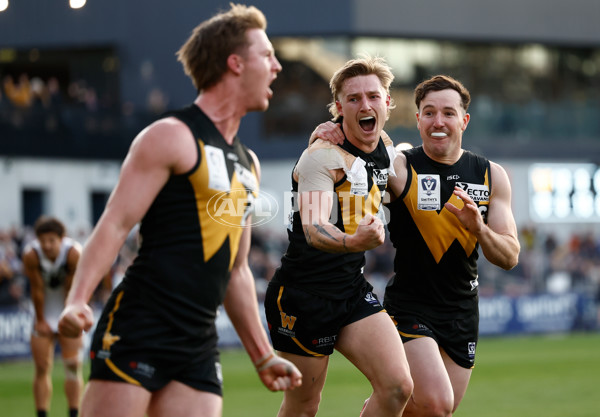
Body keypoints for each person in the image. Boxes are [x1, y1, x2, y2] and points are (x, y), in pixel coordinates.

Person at [57, 4, 301, 417]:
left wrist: (262, 355)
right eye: (267, 55)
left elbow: (236, 271)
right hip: (140, 326)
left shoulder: (249, 163)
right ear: (235, 63)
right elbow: (116, 223)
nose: (277, 66)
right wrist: (77, 299)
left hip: (198, 344)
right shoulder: (170, 136)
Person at [312, 74, 520, 416]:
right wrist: (324, 134)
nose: (439, 122)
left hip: (462, 312)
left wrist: (479, 228)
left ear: (464, 120)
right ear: (418, 118)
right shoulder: (400, 167)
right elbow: (349, 152)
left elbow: (510, 256)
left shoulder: (490, 175)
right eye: (429, 112)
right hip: (410, 306)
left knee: (425, 410)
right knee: (438, 402)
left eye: (449, 113)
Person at [264, 56, 413, 417]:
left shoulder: (384, 145)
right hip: (304, 296)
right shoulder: (320, 157)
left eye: (373, 97)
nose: (365, 105)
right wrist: (354, 242)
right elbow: (314, 228)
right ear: (338, 107)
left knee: (398, 387)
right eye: (353, 98)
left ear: (388, 103)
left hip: (350, 289)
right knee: (304, 406)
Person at [22, 216, 83, 417]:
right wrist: (40, 320)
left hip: (69, 311)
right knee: (41, 367)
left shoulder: (74, 253)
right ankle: (41, 413)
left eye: (52, 240)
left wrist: (68, 317)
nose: (47, 245)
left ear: (61, 239)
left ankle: (73, 413)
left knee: (73, 366)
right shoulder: (31, 255)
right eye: (43, 241)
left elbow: (73, 290)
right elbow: (36, 289)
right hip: (43, 313)